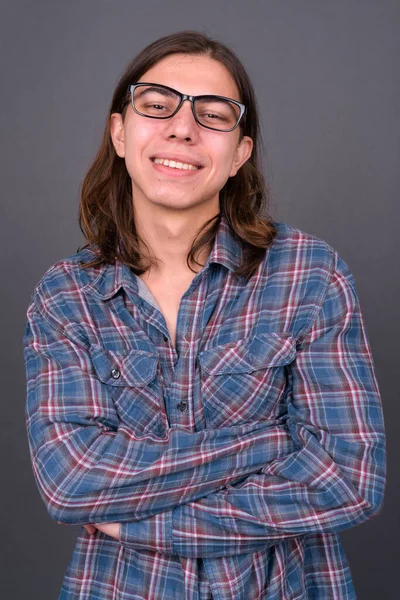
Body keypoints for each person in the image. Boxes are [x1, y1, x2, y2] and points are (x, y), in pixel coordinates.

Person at [23, 30, 386, 600]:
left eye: (214, 115)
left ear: (240, 152)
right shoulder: (66, 296)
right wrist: (272, 442)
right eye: (157, 105)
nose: (183, 128)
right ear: (120, 132)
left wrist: (144, 522)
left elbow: (348, 478)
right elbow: (72, 482)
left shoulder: (309, 274)